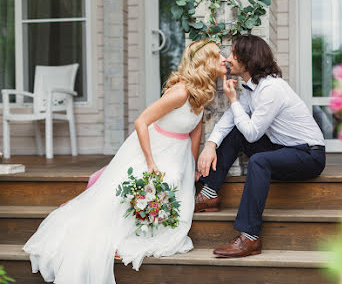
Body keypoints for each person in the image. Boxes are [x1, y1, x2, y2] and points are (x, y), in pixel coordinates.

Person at [23, 39, 227, 284]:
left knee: (175, 189)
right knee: (144, 188)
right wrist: (151, 162)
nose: (223, 59)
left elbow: (195, 132)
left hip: (178, 152)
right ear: (204, 63)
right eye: (217, 56)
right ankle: (123, 235)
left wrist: (193, 167)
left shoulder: (203, 92)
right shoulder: (181, 92)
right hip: (154, 148)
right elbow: (141, 121)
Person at [196, 34, 326, 258]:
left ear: (248, 60)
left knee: (258, 159)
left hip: (309, 155)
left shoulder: (272, 89)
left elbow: (253, 134)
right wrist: (210, 144)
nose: (228, 59)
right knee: (236, 130)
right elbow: (230, 120)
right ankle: (209, 193)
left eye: (233, 55)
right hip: (283, 148)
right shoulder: (253, 87)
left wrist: (233, 99)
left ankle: (250, 237)